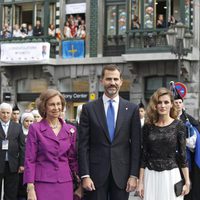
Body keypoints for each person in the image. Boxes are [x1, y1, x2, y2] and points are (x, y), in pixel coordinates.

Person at [78, 64, 141, 200]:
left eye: (115, 79)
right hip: (95, 175)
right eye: (108, 79)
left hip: (122, 175)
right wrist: (85, 175)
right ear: (102, 81)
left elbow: (136, 146)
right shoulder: (89, 109)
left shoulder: (132, 109)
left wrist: (133, 175)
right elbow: (83, 145)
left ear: (121, 81)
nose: (112, 83)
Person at [24, 89, 78, 200]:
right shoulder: (35, 129)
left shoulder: (71, 130)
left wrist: (81, 180)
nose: (56, 108)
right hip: (43, 182)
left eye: (59, 104)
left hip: (65, 182)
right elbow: (30, 159)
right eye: (52, 104)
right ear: (44, 107)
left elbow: (72, 158)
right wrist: (30, 187)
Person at [137, 87, 190, 200]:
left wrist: (187, 181)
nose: (162, 105)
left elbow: (183, 155)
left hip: (171, 176)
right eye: (159, 102)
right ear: (155, 105)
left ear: (171, 104)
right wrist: (140, 182)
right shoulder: (147, 126)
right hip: (150, 175)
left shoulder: (178, 125)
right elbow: (144, 155)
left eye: (166, 102)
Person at [172, 86, 200, 200]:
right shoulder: (167, 118)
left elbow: (196, 142)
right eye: (176, 102)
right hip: (171, 160)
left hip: (187, 160)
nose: (178, 104)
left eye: (180, 102)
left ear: (183, 104)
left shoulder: (190, 120)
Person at [0, 102, 25, 200]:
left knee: (11, 193)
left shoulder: (18, 127)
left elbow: (22, 146)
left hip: (13, 165)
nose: (5, 115)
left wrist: (22, 164)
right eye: (3, 112)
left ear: (11, 114)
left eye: (7, 113)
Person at [18, 112, 34, 200]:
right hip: (22, 164)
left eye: (31, 121)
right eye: (26, 121)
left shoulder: (36, 133)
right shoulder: (19, 132)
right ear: (22, 121)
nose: (29, 123)